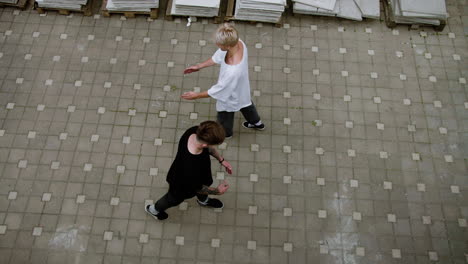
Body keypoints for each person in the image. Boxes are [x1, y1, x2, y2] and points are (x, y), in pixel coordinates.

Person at [181, 23, 264, 138]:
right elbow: (218, 57)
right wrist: (199, 66)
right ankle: (256, 123)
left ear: (228, 46)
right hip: (241, 88)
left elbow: (219, 90)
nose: (217, 45)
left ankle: (226, 133)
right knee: (246, 103)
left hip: (229, 96)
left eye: (219, 44)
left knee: (225, 115)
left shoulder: (232, 72)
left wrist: (196, 95)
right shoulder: (238, 42)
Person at [145, 121, 232, 220]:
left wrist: (221, 160)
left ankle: (203, 201)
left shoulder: (195, 131)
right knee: (172, 199)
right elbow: (199, 188)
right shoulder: (190, 167)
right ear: (205, 145)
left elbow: (209, 149)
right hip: (182, 185)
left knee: (204, 187)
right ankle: (154, 210)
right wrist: (217, 191)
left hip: (197, 177)